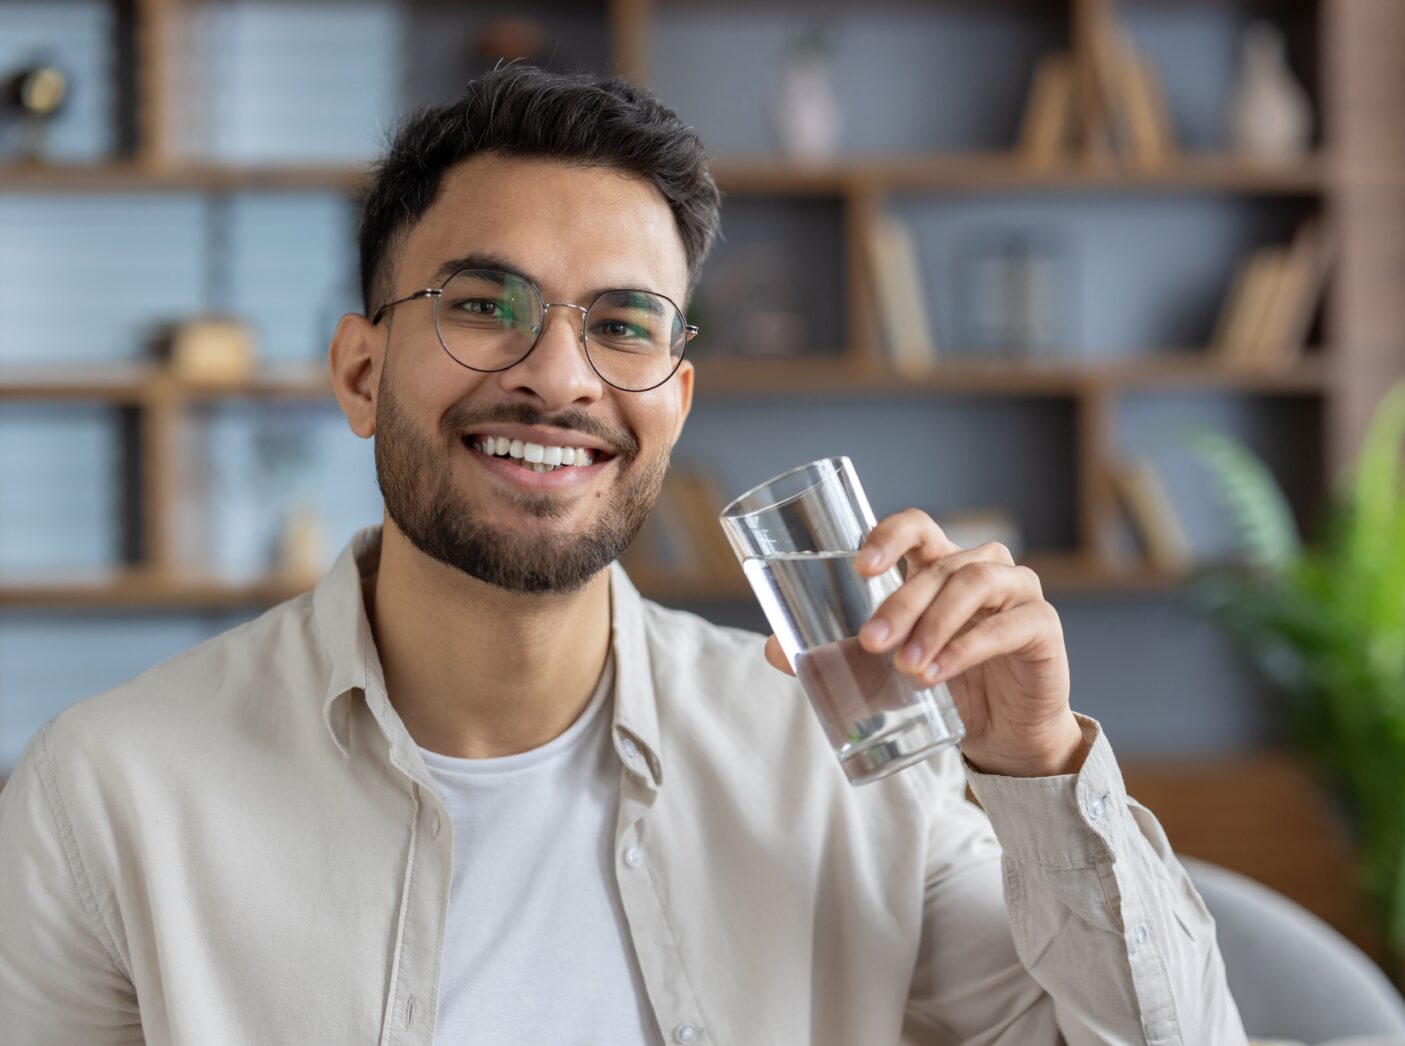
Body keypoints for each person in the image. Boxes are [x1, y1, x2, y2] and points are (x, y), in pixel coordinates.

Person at [0, 65, 1247, 1045]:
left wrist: (1031, 763)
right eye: (483, 304)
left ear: (677, 396)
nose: (556, 376)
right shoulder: (108, 792)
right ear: (361, 372)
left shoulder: (844, 767)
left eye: (620, 324)